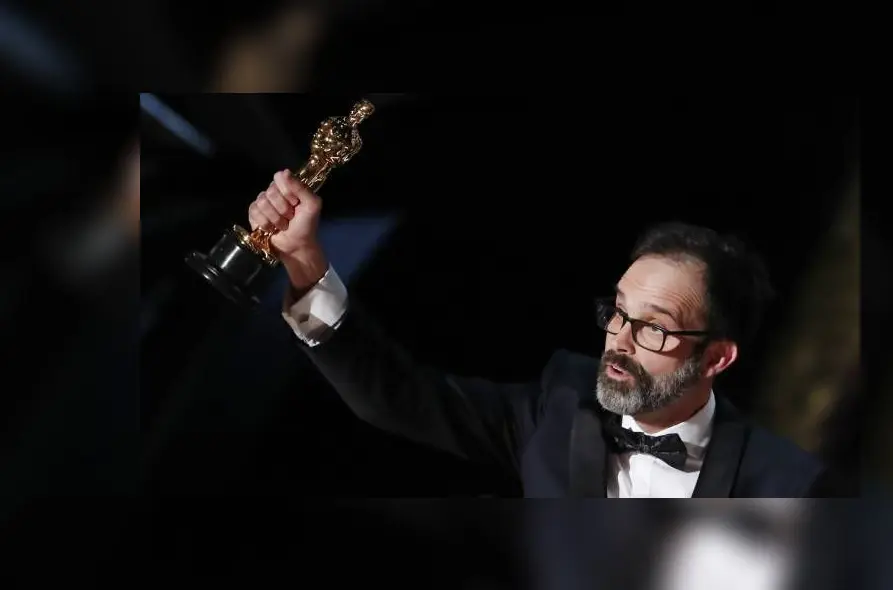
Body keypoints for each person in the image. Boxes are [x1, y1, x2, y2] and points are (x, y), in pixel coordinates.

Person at [249, 169, 849, 498]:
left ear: (717, 357)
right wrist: (304, 260)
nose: (619, 339)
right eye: (618, 312)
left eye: (654, 330)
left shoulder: (786, 486)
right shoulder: (561, 406)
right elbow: (396, 396)